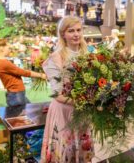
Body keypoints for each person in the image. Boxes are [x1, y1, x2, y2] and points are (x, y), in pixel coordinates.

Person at [41, 16, 94, 163]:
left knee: (83, 153)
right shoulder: (56, 58)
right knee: (64, 154)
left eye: (79, 30)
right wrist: (83, 102)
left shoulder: (89, 55)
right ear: (63, 34)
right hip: (64, 111)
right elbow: (56, 93)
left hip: (82, 112)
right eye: (71, 31)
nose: (76, 34)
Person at [0, 39, 45, 106]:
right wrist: (40, 75)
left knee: (29, 109)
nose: (10, 50)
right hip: (16, 95)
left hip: (15, 94)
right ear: (1, 49)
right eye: (8, 48)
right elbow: (23, 72)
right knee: (25, 114)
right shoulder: (3, 63)